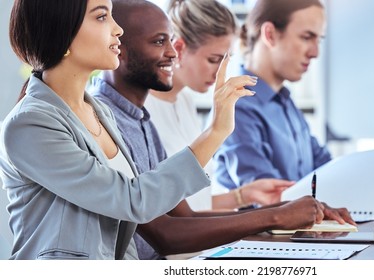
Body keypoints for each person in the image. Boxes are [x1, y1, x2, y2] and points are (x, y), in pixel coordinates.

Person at [89, 0, 355, 260]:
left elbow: (187, 215)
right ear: (117, 47)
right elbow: (164, 234)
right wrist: (275, 215)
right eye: (160, 42)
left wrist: (288, 209)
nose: (173, 53)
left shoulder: (143, 117)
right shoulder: (103, 118)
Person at [0, 0, 250, 260]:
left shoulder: (100, 112)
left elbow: (123, 234)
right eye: (101, 17)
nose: (118, 29)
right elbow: (132, 200)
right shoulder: (30, 124)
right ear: (63, 31)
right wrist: (216, 132)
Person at [214, 0, 374, 198]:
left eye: (318, 40)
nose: (315, 52)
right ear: (270, 34)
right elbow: (271, 197)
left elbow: (325, 169)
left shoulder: (285, 103)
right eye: (307, 37)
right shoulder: (238, 105)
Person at [145, 0, 293, 211]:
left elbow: (194, 206)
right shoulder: (144, 108)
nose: (219, 74)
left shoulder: (185, 100)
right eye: (214, 60)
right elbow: (163, 214)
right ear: (179, 48)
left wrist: (243, 196)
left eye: (224, 62)